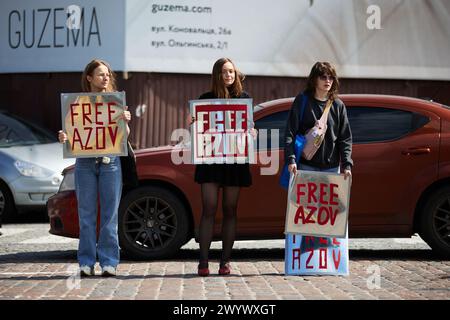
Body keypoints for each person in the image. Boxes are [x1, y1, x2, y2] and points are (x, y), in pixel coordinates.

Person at [58, 59, 131, 277]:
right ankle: (86, 262)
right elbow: (71, 135)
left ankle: (109, 262)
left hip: (111, 162)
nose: (106, 77)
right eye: (101, 74)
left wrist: (125, 121)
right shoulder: (77, 103)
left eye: (107, 74)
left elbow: (123, 137)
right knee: (86, 214)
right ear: (89, 78)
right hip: (85, 162)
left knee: (110, 215)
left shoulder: (115, 101)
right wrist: (64, 136)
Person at [190, 58, 256, 276]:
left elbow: (249, 131)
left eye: (231, 71)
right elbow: (197, 132)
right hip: (210, 160)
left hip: (234, 161)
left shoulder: (244, 99)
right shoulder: (205, 99)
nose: (228, 75)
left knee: (230, 210)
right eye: (224, 72)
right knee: (209, 207)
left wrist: (252, 133)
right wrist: (193, 126)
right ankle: (203, 262)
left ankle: (225, 262)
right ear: (216, 75)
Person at [284, 61, 352, 178]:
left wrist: (347, 165)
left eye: (331, 77)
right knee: (305, 197)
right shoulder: (302, 100)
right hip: (306, 166)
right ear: (314, 79)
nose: (328, 80)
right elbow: (290, 132)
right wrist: (291, 159)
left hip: (331, 168)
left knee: (330, 197)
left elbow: (345, 138)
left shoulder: (338, 105)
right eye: (323, 77)